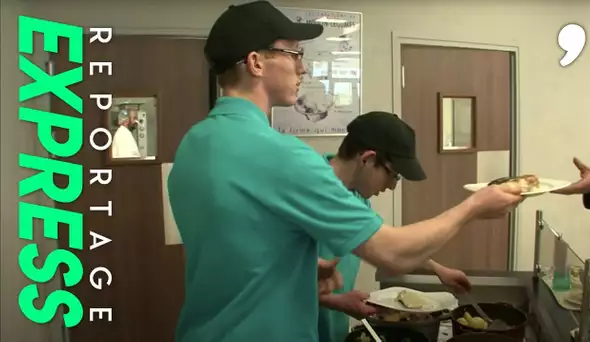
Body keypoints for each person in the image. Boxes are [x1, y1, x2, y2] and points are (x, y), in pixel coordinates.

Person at [166, 1, 523, 341]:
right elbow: (392, 254)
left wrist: (300, 270)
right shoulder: (284, 156)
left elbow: (230, 254)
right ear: (256, 62)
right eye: (294, 54)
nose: (302, 68)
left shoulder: (193, 145)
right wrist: (473, 206)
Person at [318, 111, 471, 342]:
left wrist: (438, 269)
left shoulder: (356, 197)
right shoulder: (314, 189)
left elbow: (381, 244)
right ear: (367, 159)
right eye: (393, 176)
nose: (391, 187)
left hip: (333, 326)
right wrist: (474, 207)